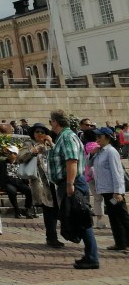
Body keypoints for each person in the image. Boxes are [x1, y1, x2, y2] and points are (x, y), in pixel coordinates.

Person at [48, 110, 98, 269]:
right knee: (79, 218)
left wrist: (70, 184)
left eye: (51, 121)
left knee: (81, 219)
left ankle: (92, 257)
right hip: (70, 182)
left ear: (56, 122)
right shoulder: (65, 137)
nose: (51, 124)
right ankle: (90, 255)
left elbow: (72, 161)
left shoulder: (67, 137)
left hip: (72, 182)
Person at [19, 122, 62, 247]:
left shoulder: (49, 144)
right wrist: (33, 151)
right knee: (49, 210)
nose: (40, 134)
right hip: (41, 182)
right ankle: (52, 237)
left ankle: (54, 236)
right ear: (33, 133)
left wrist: (52, 144)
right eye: (37, 131)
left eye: (42, 132)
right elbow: (20, 158)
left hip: (53, 181)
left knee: (55, 209)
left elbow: (59, 155)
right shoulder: (29, 144)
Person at [92, 126, 128, 251]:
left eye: (99, 136)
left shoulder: (111, 152)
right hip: (105, 190)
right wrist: (92, 154)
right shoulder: (99, 151)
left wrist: (118, 191)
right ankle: (120, 242)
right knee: (113, 218)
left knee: (122, 217)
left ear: (107, 138)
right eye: (96, 136)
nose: (97, 139)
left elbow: (117, 172)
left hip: (113, 191)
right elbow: (89, 164)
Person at [0, 145, 34, 218]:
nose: (8, 154)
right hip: (8, 183)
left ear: (16, 155)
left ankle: (27, 210)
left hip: (19, 182)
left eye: (10, 153)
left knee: (29, 190)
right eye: (8, 153)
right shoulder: (1, 163)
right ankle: (17, 211)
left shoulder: (21, 163)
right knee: (12, 191)